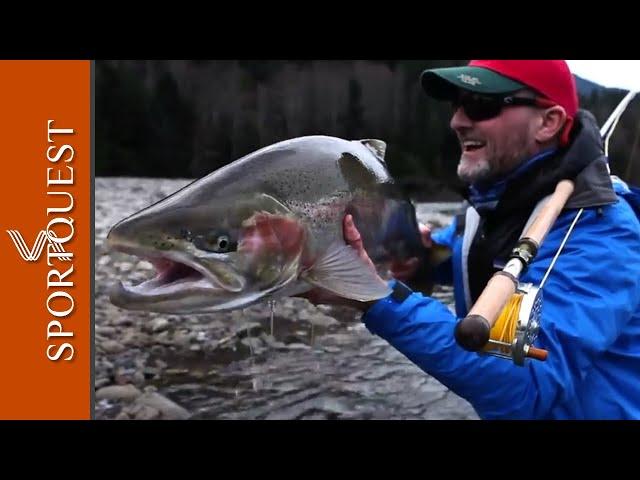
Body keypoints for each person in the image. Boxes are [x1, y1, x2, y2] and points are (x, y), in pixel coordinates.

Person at [304, 60, 640, 420]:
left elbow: (526, 385)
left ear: (549, 122)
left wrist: (375, 298)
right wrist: (422, 257)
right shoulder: (493, 206)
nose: (458, 121)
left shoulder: (604, 235)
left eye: (482, 106)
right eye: (457, 105)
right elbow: (464, 255)